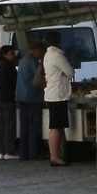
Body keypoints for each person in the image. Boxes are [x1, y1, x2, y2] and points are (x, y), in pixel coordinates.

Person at [43, 29, 73, 167]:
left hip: (51, 93)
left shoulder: (48, 55)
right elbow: (70, 72)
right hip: (58, 95)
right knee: (56, 127)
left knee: (56, 126)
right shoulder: (57, 55)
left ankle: (56, 154)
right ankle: (54, 156)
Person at [16, 40, 45, 161]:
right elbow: (40, 78)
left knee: (24, 127)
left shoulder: (23, 61)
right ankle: (33, 153)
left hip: (22, 97)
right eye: (41, 53)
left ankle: (23, 153)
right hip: (33, 97)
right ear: (36, 51)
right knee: (34, 126)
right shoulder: (33, 63)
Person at [0, 45, 19, 160]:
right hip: (7, 99)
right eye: (12, 53)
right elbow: (14, 82)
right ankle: (9, 150)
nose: (14, 55)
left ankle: (1, 151)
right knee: (9, 126)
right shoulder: (9, 66)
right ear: (5, 54)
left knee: (0, 127)